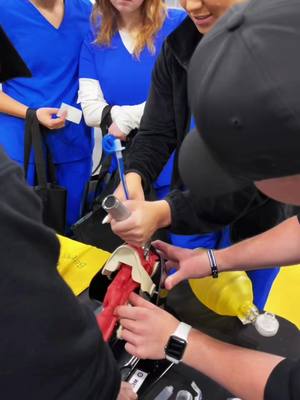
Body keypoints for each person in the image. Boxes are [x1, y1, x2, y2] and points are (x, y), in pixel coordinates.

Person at [116, 1, 300, 398]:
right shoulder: (182, 47)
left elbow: (290, 386)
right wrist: (215, 261)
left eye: (235, 163)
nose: (192, 4)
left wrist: (180, 339)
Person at [0, 27, 136, 399]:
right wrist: (102, 385)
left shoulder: (83, 14)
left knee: (67, 233)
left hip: (73, 141)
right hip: (23, 138)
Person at [0, 0, 95, 230]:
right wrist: (30, 113)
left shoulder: (86, 11)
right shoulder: (5, 11)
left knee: (74, 235)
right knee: (21, 237)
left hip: (74, 145)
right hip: (21, 147)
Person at [78, 0, 185, 142]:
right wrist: (129, 118)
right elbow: (91, 111)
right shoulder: (96, 35)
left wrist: (128, 120)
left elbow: (183, 97)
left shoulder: (178, 24)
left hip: (169, 152)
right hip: (119, 155)